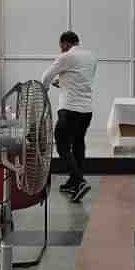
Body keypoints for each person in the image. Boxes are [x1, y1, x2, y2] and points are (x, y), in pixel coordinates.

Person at [41, 31, 97, 203]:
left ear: (65, 43)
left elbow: (46, 76)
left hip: (69, 109)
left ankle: (79, 181)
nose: (61, 49)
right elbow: (80, 79)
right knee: (79, 142)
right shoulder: (91, 57)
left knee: (63, 145)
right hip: (86, 110)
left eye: (61, 46)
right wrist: (62, 83)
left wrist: (45, 89)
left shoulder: (66, 56)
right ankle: (73, 182)